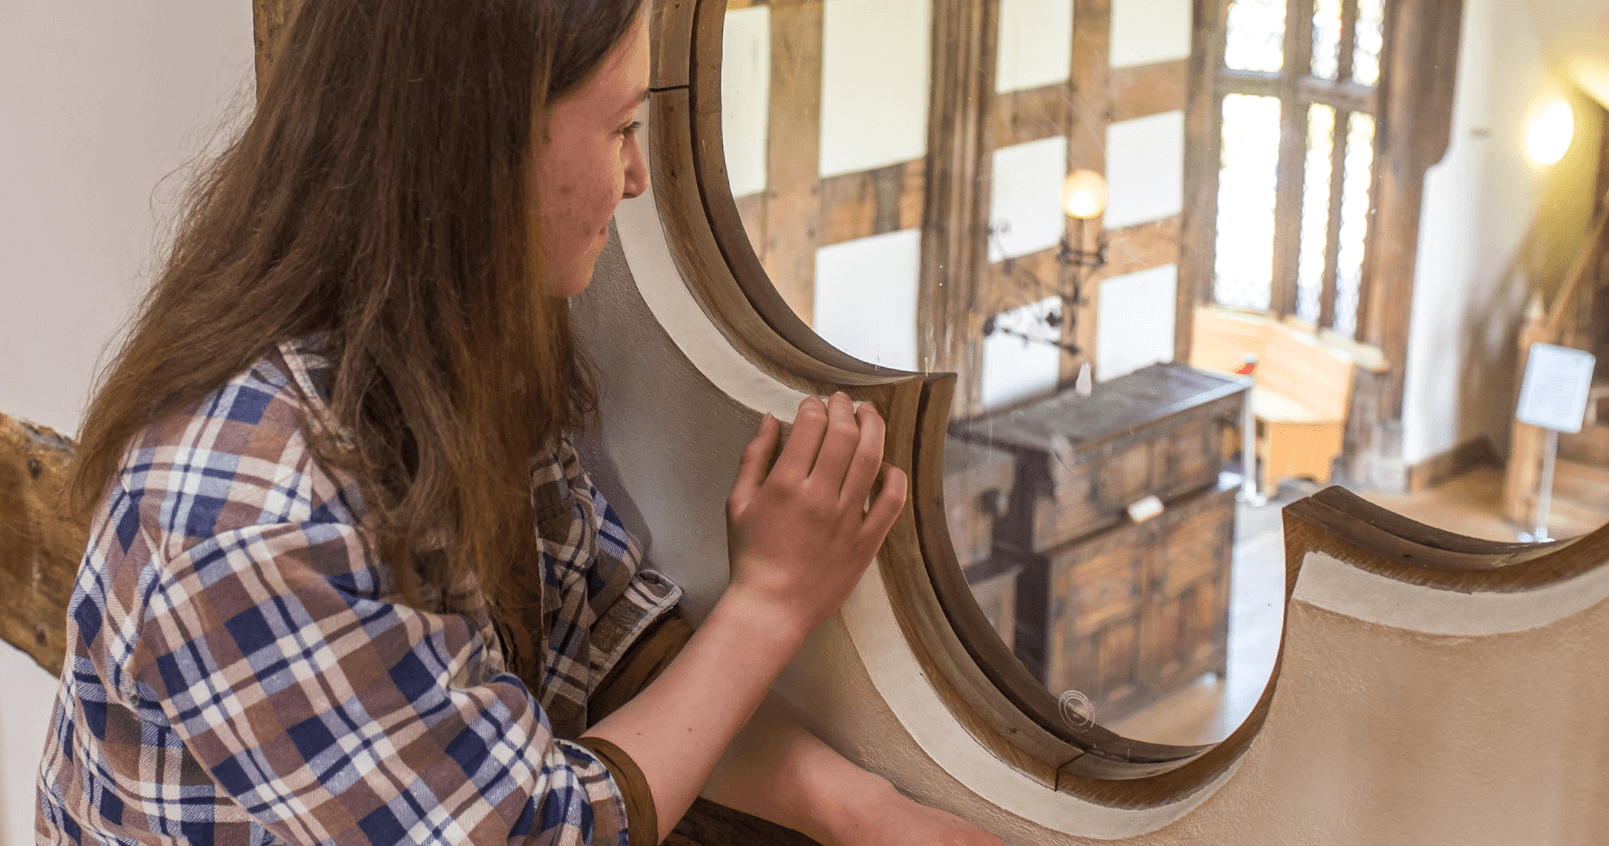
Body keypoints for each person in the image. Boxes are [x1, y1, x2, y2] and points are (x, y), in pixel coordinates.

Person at [36, 1, 1004, 844]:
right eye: (618, 128)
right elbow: (531, 830)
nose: (634, 180)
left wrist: (863, 810)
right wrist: (773, 600)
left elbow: (603, 649)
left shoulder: (446, 363)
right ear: (480, 146)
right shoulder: (254, 510)